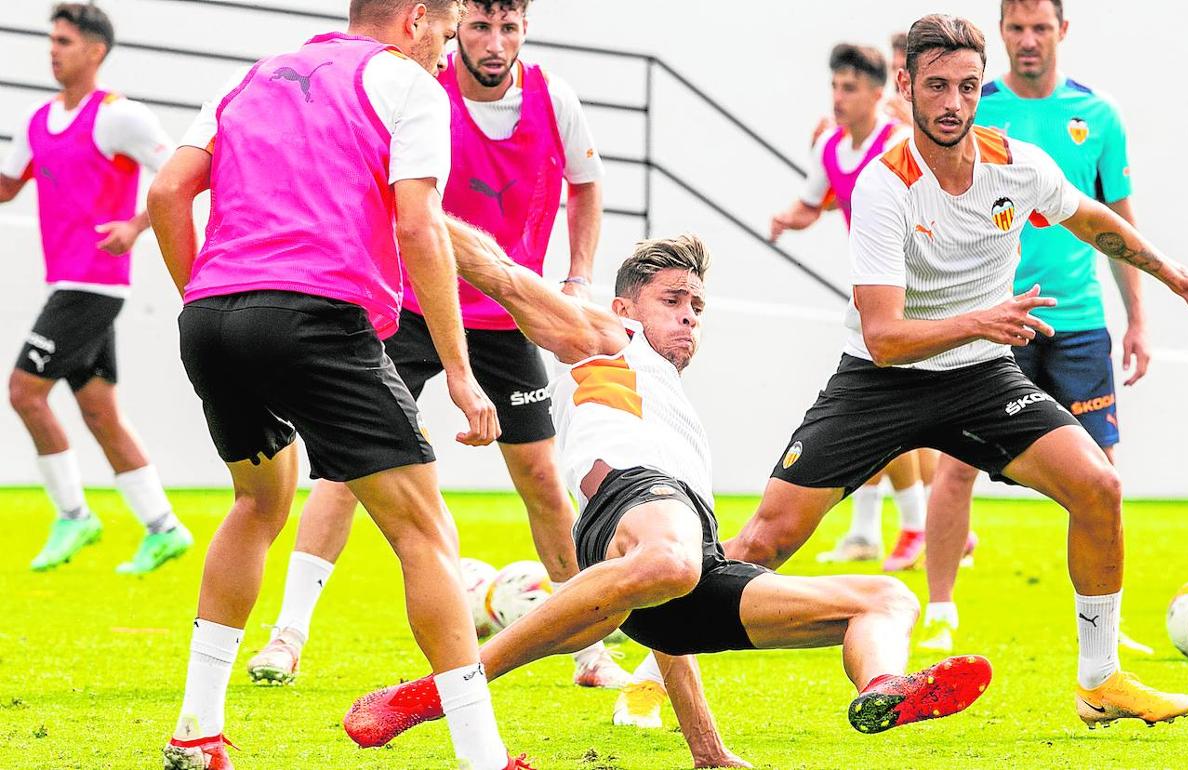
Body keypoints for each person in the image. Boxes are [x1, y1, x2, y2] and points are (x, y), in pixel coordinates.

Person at [722, 14, 1188, 728]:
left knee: (1099, 486)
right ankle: (663, 651)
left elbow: (1091, 218)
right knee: (762, 543)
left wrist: (1176, 276)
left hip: (979, 376)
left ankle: (1100, 680)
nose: (953, 104)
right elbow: (883, 339)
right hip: (882, 381)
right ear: (904, 87)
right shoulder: (885, 186)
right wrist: (981, 321)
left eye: (967, 87)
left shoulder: (1017, 163)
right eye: (936, 86)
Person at [340, 229, 994, 767]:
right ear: (625, 309)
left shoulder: (677, 417)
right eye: (673, 300)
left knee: (886, 598)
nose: (688, 315)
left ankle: (882, 686)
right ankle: (449, 691)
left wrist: (708, 752)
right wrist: (414, 200)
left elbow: (667, 595)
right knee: (671, 560)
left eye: (697, 306)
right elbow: (503, 274)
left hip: (684, 566)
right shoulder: (608, 343)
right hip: (626, 507)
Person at [146, 2, 530, 768]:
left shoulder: (247, 78)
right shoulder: (409, 88)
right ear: (416, 20)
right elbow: (419, 227)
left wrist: (207, 298)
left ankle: (196, 729)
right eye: (450, 33)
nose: (449, 51)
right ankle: (483, 757)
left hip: (212, 317)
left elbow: (165, 195)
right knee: (425, 534)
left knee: (257, 505)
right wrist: (460, 371)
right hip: (315, 319)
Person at [246, 0, 627, 692]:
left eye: (508, 27)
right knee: (344, 470)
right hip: (412, 305)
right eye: (479, 26)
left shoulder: (555, 98)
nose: (493, 41)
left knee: (542, 480)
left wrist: (576, 278)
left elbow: (587, 184)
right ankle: (288, 636)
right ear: (456, 28)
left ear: (525, 30)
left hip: (508, 314)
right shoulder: (420, 89)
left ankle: (589, 650)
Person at [917, 0, 1154, 655]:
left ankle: (1106, 625)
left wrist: (1137, 318)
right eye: (1016, 28)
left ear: (1061, 31)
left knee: (1100, 475)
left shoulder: (1098, 117)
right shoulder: (976, 106)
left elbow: (1116, 223)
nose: (1027, 40)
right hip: (995, 320)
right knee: (957, 463)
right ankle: (939, 613)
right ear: (1001, 33)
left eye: (1039, 28)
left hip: (1079, 325)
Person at [0, 3, 192, 575]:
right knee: (100, 411)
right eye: (51, 40)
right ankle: (163, 527)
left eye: (64, 40)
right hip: (68, 279)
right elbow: (8, 189)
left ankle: (75, 515)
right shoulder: (37, 121)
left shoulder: (120, 117)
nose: (53, 49)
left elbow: (179, 174)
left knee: (24, 392)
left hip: (94, 285)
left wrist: (135, 227)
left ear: (95, 51)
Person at [767, 43, 932, 574]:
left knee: (891, 408)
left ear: (878, 95)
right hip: (873, 293)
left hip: (920, 293)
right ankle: (900, 526)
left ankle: (918, 525)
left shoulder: (902, 144)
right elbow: (814, 202)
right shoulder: (831, 148)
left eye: (851, 88)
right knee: (885, 407)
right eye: (835, 86)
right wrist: (786, 219)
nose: (838, 97)